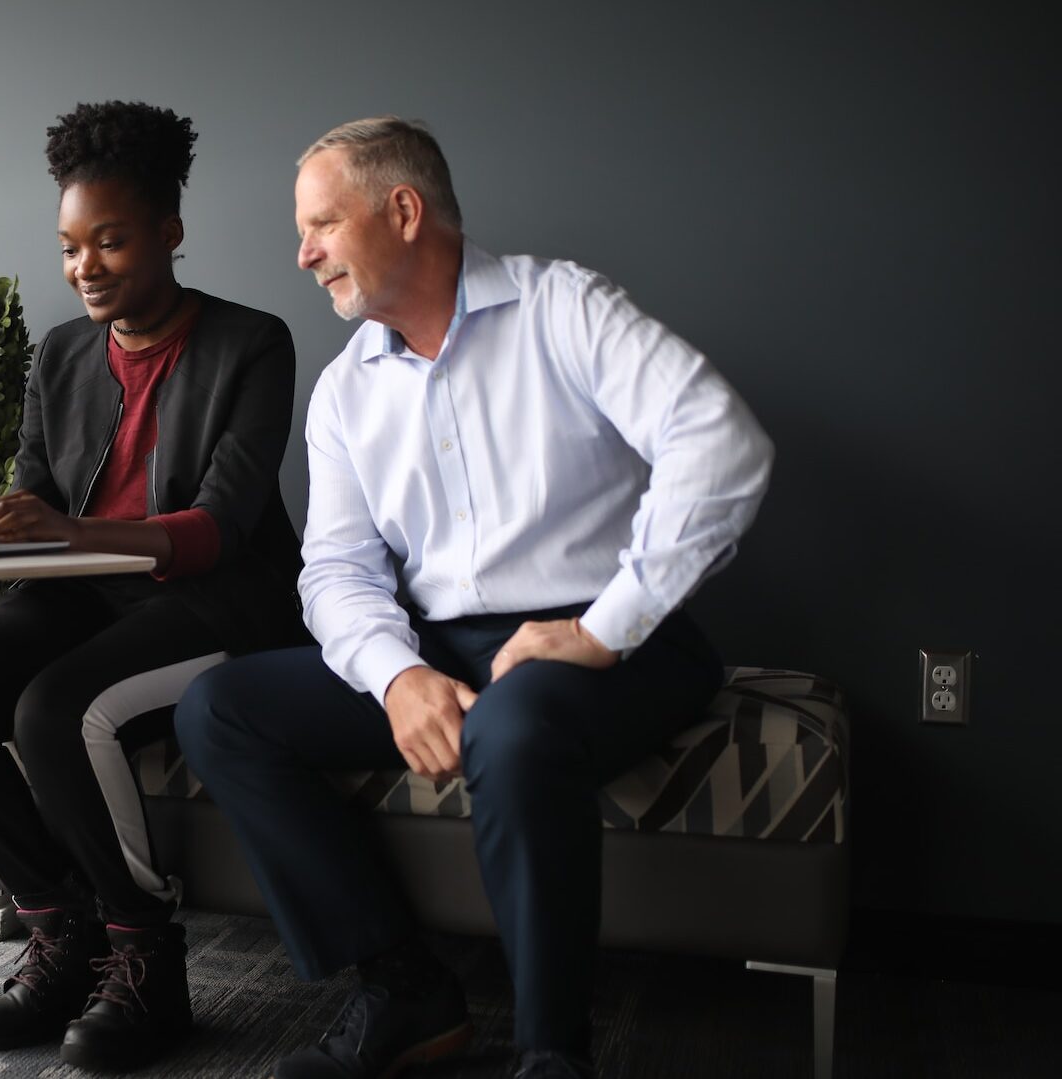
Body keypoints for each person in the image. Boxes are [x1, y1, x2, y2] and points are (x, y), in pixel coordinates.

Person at [174, 117, 774, 1079]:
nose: (303, 253)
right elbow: (335, 570)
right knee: (223, 709)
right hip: (444, 651)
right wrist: (399, 674)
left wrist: (600, 627)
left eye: (323, 224)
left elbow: (723, 444)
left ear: (402, 211)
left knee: (515, 724)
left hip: (624, 640)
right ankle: (405, 989)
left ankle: (551, 1053)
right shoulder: (344, 392)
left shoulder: (563, 307)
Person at [0, 99, 305, 1071]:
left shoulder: (253, 345)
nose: (85, 265)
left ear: (170, 230)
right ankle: (59, 928)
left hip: (218, 602)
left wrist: (69, 527)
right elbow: (38, 495)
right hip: (84, 592)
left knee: (55, 709)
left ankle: (147, 957)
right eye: (72, 245)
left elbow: (217, 527)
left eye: (110, 240)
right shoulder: (63, 353)